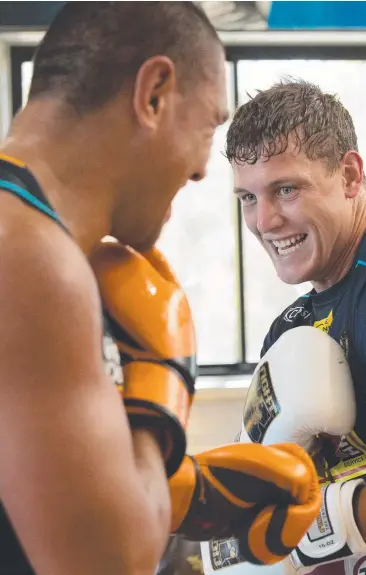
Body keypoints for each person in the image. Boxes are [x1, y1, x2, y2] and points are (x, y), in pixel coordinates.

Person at [0, 4, 322, 574]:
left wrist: (170, 493)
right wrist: (162, 379)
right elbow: (106, 566)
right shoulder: (28, 258)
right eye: (209, 125)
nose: (203, 169)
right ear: (154, 94)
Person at [201, 79, 366, 575]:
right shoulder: (299, 321)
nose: (264, 220)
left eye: (285, 189)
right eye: (247, 197)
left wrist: (315, 533)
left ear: (350, 175)